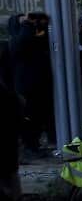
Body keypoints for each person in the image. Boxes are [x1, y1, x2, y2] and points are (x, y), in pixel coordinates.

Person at [13, 12, 54, 153]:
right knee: (30, 117)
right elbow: (22, 44)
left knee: (38, 116)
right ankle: (30, 146)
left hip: (39, 85)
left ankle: (35, 144)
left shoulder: (37, 38)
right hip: (28, 86)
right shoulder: (19, 39)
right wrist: (27, 24)